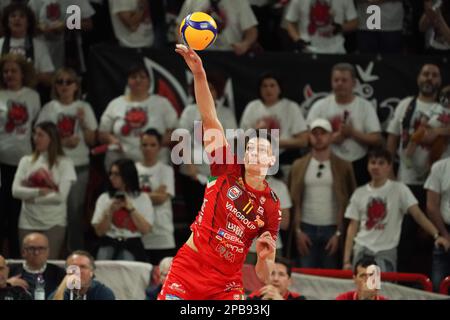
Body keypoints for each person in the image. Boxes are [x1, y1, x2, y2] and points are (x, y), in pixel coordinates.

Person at [158, 44, 281, 300]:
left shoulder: (271, 206)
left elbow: (264, 275)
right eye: (250, 148)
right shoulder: (226, 167)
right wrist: (199, 74)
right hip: (189, 268)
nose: (254, 152)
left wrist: (263, 257)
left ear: (272, 160)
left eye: (262, 149)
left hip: (225, 284)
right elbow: (210, 118)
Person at [343, 148, 450, 272]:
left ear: (389, 166)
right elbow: (352, 227)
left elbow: (418, 215)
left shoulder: (399, 189)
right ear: (367, 166)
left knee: (383, 290)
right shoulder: (359, 193)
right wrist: (346, 261)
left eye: (381, 163)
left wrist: (436, 235)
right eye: (373, 162)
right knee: (362, 290)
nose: (376, 167)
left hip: (385, 252)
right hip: (361, 249)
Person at [386, 63, 444, 273]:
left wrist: (439, 133)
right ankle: (403, 283)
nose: (429, 78)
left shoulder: (445, 108)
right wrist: (391, 176)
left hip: (439, 184)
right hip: (406, 180)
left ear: (440, 80)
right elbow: (391, 140)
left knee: (436, 236)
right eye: (425, 74)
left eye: (434, 75)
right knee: (405, 236)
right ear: (418, 77)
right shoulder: (406, 105)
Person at [36, 67, 98, 253]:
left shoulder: (84, 108)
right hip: (54, 167)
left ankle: (75, 254)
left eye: (68, 82)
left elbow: (92, 140)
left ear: (76, 86)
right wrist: (62, 141)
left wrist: (84, 122)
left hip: (79, 166)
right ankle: (52, 251)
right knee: (53, 211)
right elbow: (39, 139)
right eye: (59, 82)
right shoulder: (49, 108)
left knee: (74, 213)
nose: (64, 86)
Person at [289, 118, 356, 268]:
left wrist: (339, 233)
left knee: (330, 279)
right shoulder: (298, 165)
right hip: (306, 228)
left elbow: (351, 201)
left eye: (323, 133)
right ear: (309, 136)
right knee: (305, 278)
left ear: (331, 136)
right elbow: (293, 200)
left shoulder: (344, 166)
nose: (318, 137)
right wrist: (298, 231)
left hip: (332, 229)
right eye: (315, 133)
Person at [307, 63, 382, 186]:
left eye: (344, 80)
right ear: (331, 82)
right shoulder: (320, 106)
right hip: (328, 162)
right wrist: (330, 139)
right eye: (336, 80)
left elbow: (376, 139)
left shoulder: (365, 106)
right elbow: (307, 138)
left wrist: (352, 133)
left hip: (359, 163)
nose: (340, 84)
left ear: (354, 83)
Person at [12, 121, 77, 259]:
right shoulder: (26, 161)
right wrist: (39, 192)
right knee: (28, 265)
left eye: (41, 135)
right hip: (27, 221)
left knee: (47, 265)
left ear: (51, 138)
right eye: (35, 134)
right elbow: (15, 191)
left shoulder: (65, 163)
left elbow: (60, 197)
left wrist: (29, 197)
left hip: (53, 222)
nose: (36, 138)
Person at [178, 75, 237, 221]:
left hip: (218, 173)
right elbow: (181, 139)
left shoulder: (226, 114)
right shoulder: (190, 111)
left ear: (217, 92)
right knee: (195, 216)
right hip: (193, 173)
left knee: (217, 215)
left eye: (211, 88)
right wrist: (189, 165)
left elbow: (231, 144)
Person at [98, 64, 178, 169]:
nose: (138, 80)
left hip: (156, 164)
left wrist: (154, 144)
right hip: (122, 165)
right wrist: (111, 140)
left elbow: (176, 132)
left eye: (142, 77)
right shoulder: (115, 104)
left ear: (150, 82)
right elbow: (102, 134)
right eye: (133, 77)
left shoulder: (162, 103)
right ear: (127, 81)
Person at [0, 53, 40, 258]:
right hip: (1, 164)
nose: (9, 74)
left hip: (23, 163)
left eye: (13, 70)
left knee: (17, 214)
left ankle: (16, 259)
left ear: (23, 74)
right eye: (5, 71)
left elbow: (36, 128)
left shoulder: (32, 96)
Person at [91, 158, 154, 262]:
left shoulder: (143, 198)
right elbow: (99, 232)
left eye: (116, 174)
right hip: (108, 241)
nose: (112, 178)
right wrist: (109, 212)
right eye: (111, 174)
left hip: (132, 243)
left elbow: (146, 229)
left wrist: (131, 209)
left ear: (127, 175)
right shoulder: (104, 198)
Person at [240, 72, 308, 166]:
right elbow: (241, 140)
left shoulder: (291, 107)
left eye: (272, 85)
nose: (268, 89)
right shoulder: (252, 107)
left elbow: (304, 141)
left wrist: (273, 142)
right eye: (264, 86)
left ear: (280, 89)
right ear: (259, 89)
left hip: (285, 159)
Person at [136, 129, 176, 265]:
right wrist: (155, 194)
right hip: (138, 234)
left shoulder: (166, 170)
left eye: (152, 145)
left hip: (162, 233)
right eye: (145, 145)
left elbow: (161, 199)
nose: (148, 149)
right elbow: (129, 198)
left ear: (159, 147)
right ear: (140, 146)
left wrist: (139, 195)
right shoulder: (133, 170)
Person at [28, 0, 95, 69]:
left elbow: (88, 24)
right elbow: (27, 27)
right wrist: (40, 28)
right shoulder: (34, 2)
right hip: (43, 52)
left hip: (70, 52)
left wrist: (66, 26)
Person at [176, 0, 259, 55]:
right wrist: (184, 46)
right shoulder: (192, 1)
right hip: (200, 55)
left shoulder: (239, 2)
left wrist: (245, 44)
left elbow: (251, 29)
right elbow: (179, 26)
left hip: (230, 54)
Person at [0, 3, 55, 86]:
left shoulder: (39, 46)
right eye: (13, 16)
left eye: (22, 16)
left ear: (28, 22)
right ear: (7, 22)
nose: (17, 19)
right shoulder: (0, 43)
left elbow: (49, 76)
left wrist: (26, 77)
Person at [284, 0, 358, 54]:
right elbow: (290, 22)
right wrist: (297, 39)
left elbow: (354, 22)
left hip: (336, 49)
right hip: (307, 49)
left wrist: (341, 28)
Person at [7, 232, 65, 299]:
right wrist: (7, 284)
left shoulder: (58, 272)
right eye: (32, 248)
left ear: (48, 252)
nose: (36, 252)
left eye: (41, 248)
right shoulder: (10, 271)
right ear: (23, 252)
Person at [425, 158, 450, 292]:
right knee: (438, 286)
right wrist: (444, 234)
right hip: (444, 230)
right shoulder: (440, 167)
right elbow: (431, 206)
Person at [51, 250, 115, 300]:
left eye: (83, 267)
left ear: (91, 272)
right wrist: (63, 286)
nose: (78, 271)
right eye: (73, 267)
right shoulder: (61, 291)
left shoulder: (102, 292)